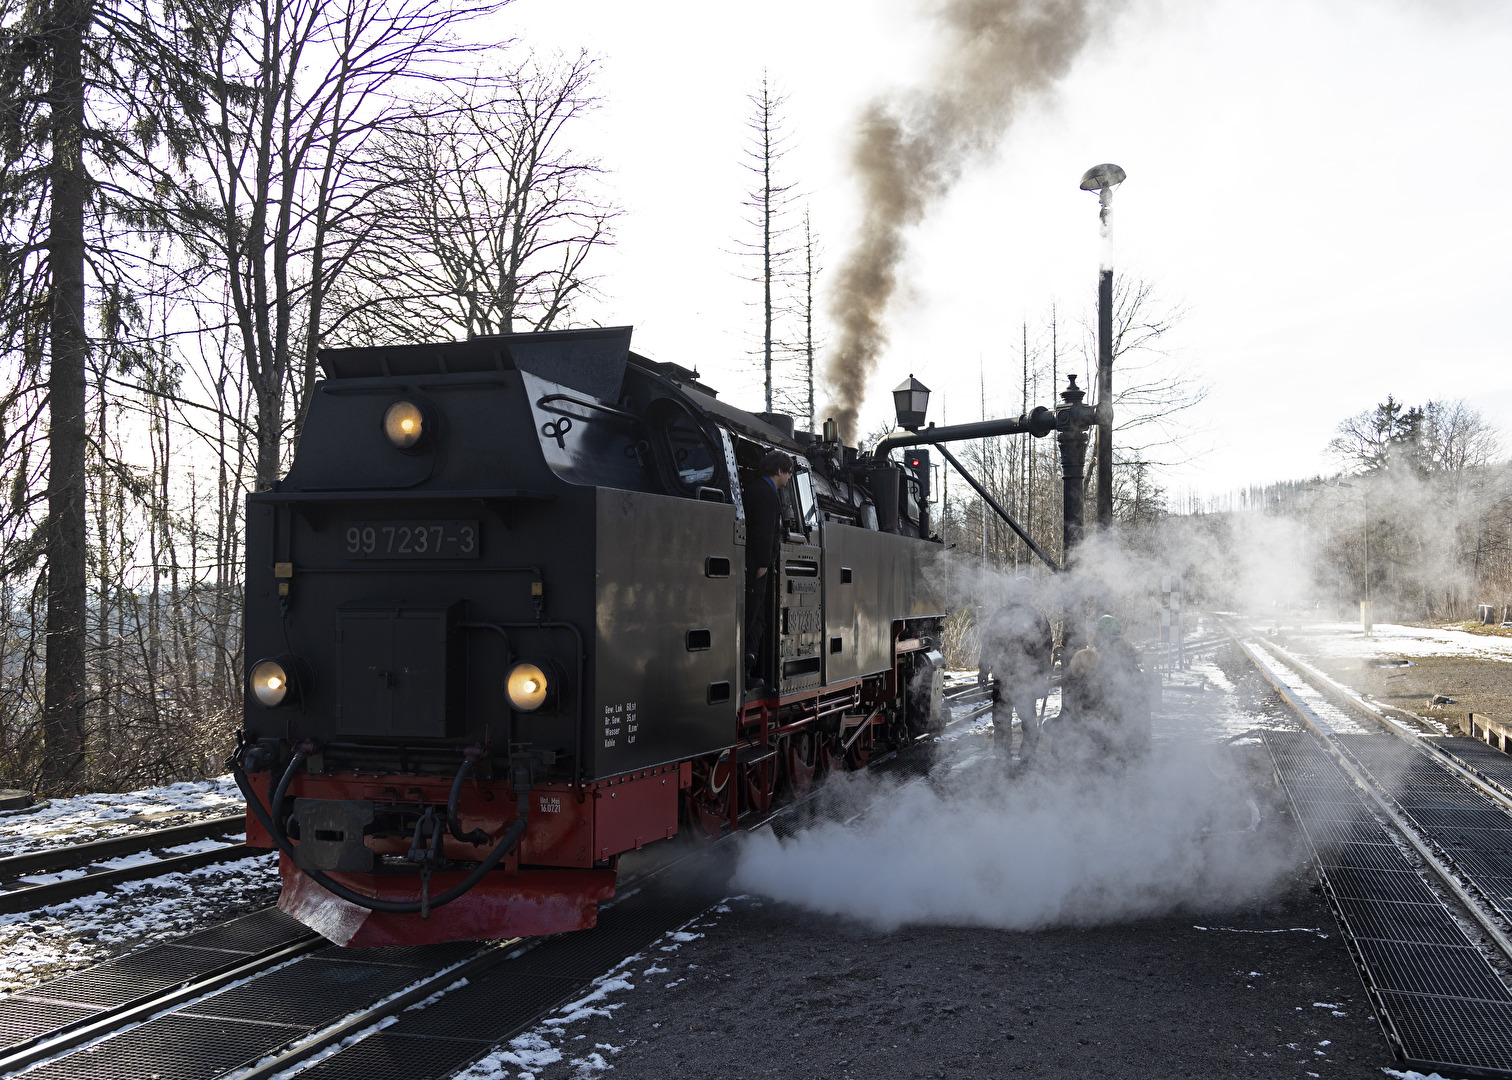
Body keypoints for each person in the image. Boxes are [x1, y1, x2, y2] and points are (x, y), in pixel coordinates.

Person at [976, 577, 1053, 763]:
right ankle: (1027, 754)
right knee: (1027, 718)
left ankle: (1003, 754)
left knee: (1003, 718)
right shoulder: (1038, 617)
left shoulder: (1001, 615)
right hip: (1026, 677)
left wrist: (983, 670)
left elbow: (989, 644)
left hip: (1005, 675)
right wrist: (1043, 677)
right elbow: (1045, 650)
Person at [742, 451, 793, 691]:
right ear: (779, 470)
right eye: (788, 473)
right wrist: (763, 563)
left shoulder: (756, 489)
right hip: (757, 566)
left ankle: (748, 667)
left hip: (753, 563)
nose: (789, 478)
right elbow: (764, 531)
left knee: (756, 616)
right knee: (754, 617)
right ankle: (745, 672)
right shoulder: (767, 494)